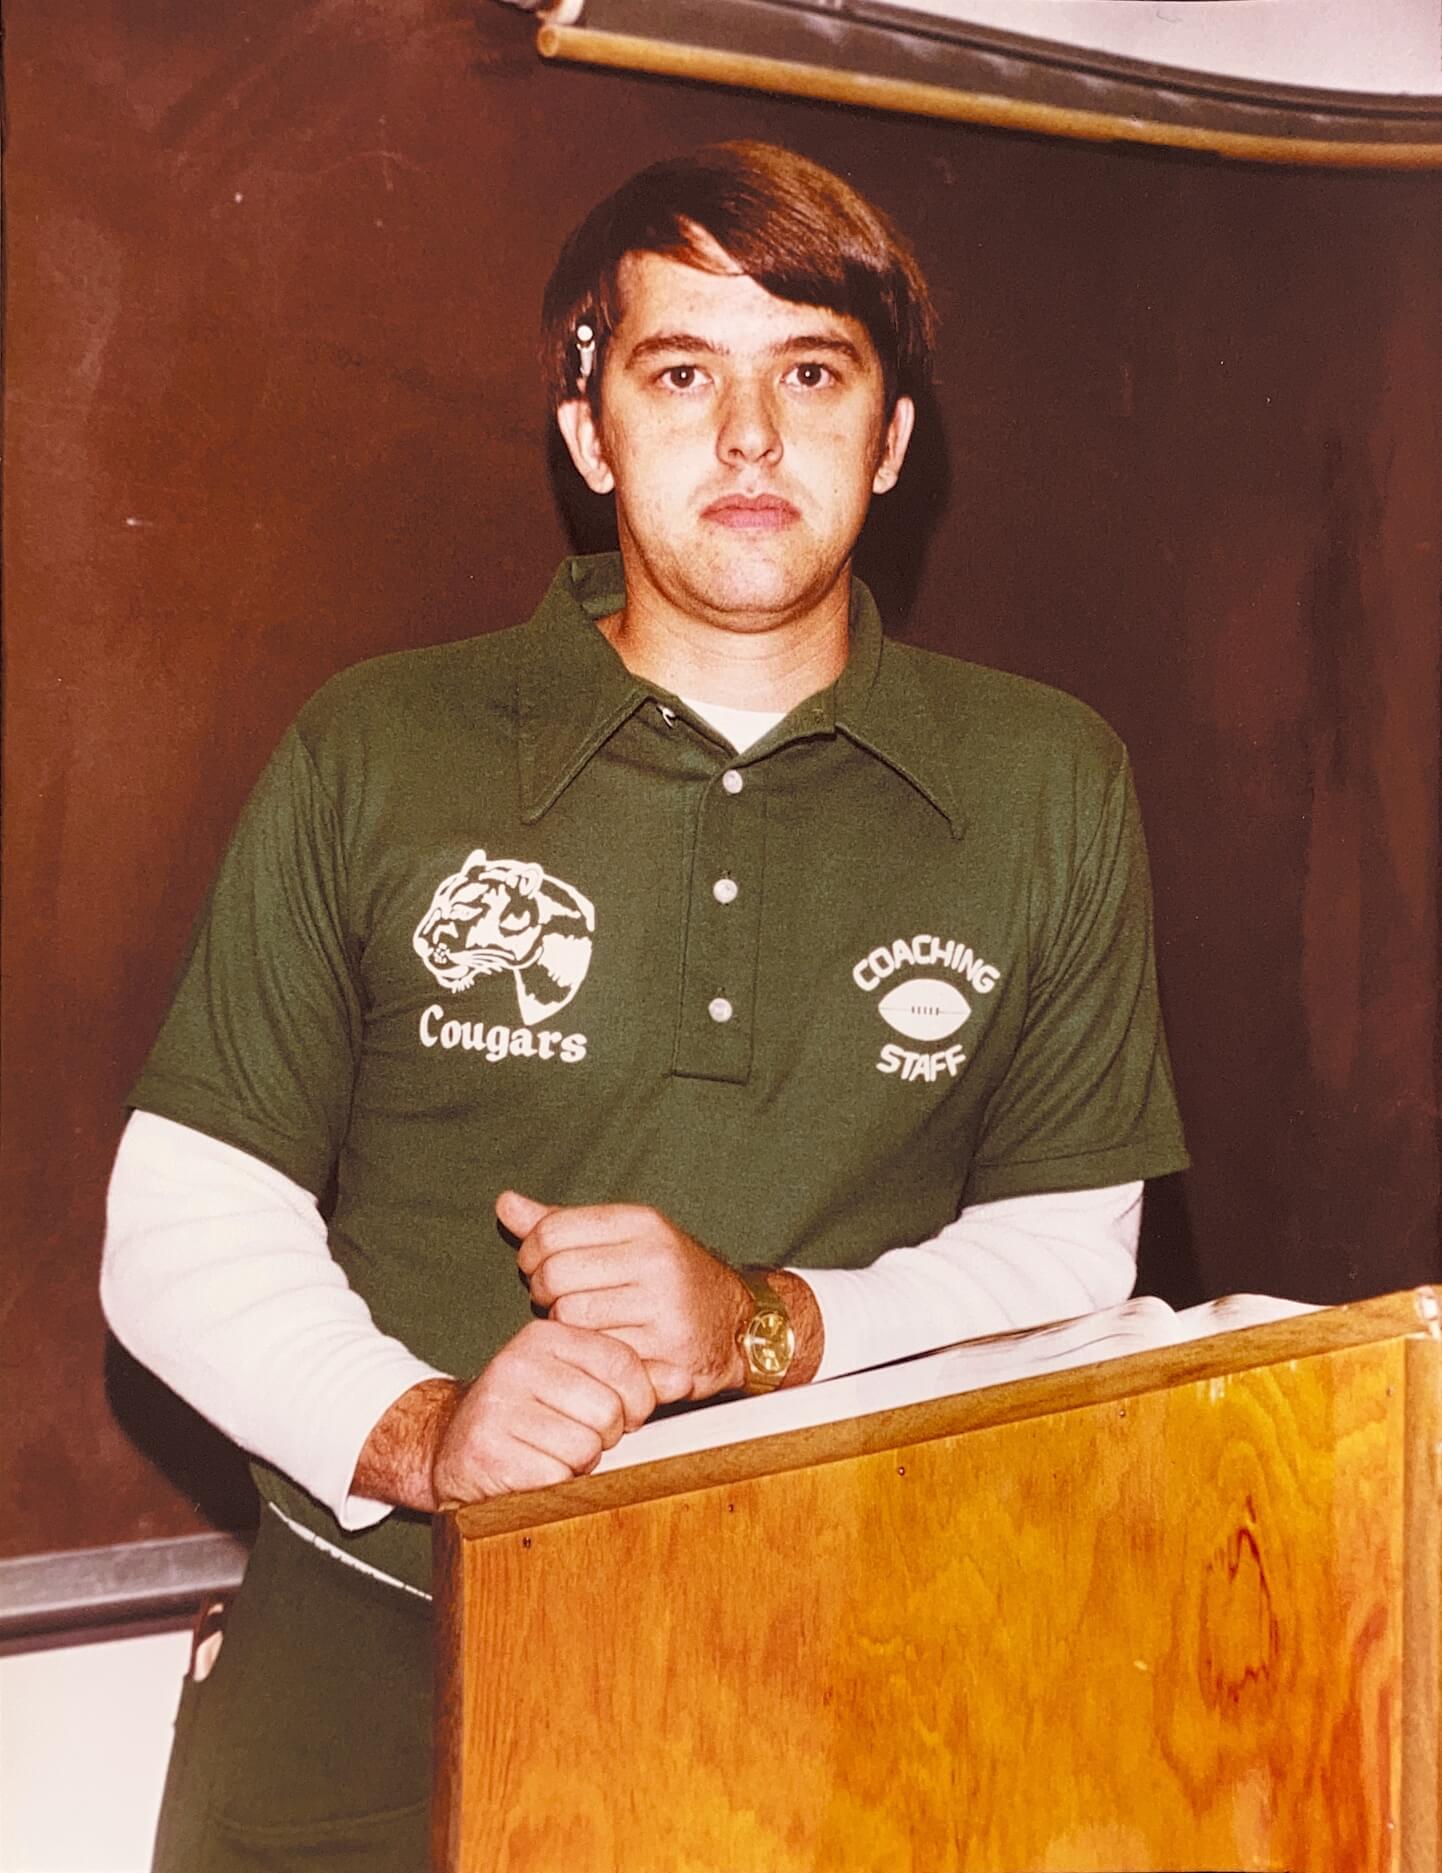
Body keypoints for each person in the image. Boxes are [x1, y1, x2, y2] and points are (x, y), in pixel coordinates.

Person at [103, 140, 1187, 1870]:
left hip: (839, 1670)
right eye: (680, 372)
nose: (749, 437)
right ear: (587, 427)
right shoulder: (378, 745)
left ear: (891, 440)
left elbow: (1070, 1252)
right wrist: (427, 1429)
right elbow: (178, 1225)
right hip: (381, 1669)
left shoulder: (1045, 776)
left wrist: (760, 1321)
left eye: (810, 373)